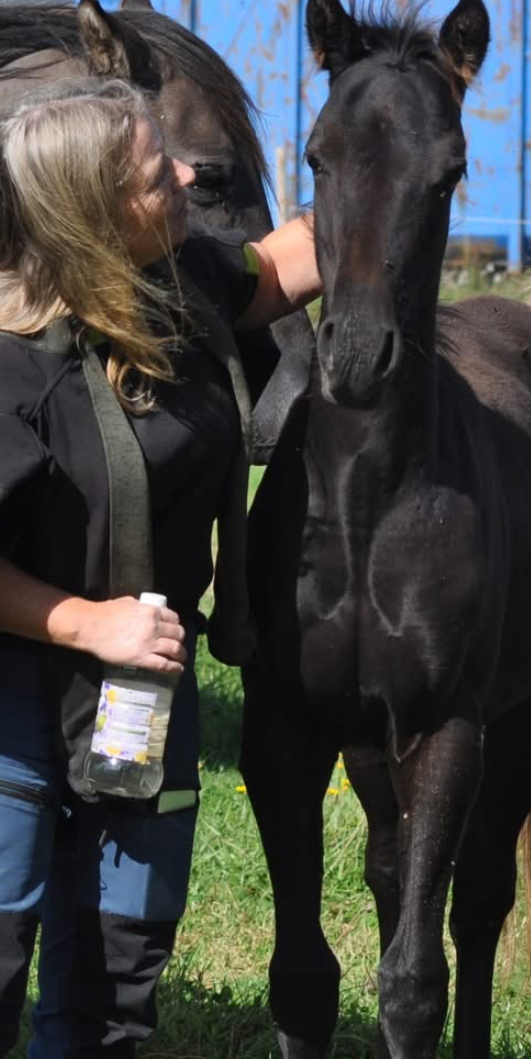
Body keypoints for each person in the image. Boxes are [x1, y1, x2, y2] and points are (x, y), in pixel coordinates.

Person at [0, 78, 321, 1057]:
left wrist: (386, 121)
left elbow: (270, 270)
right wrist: (84, 621)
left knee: (114, 986)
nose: (187, 173)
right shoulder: (15, 366)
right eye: (156, 172)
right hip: (17, 708)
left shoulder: (177, 279)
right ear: (98, 218)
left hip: (139, 706)